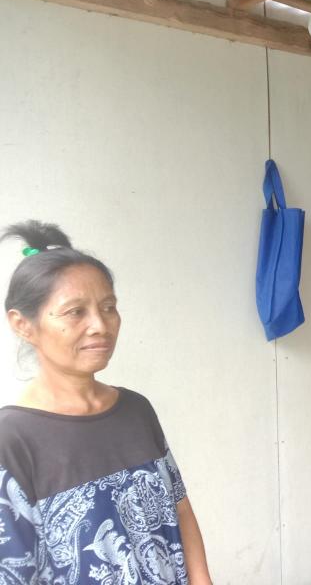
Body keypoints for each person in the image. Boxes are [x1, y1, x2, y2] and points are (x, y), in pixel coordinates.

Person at [0, 220, 212, 584]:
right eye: (75, 311)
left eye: (109, 307)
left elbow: (180, 509)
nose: (100, 325)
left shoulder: (136, 410)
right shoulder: (12, 439)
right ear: (23, 324)